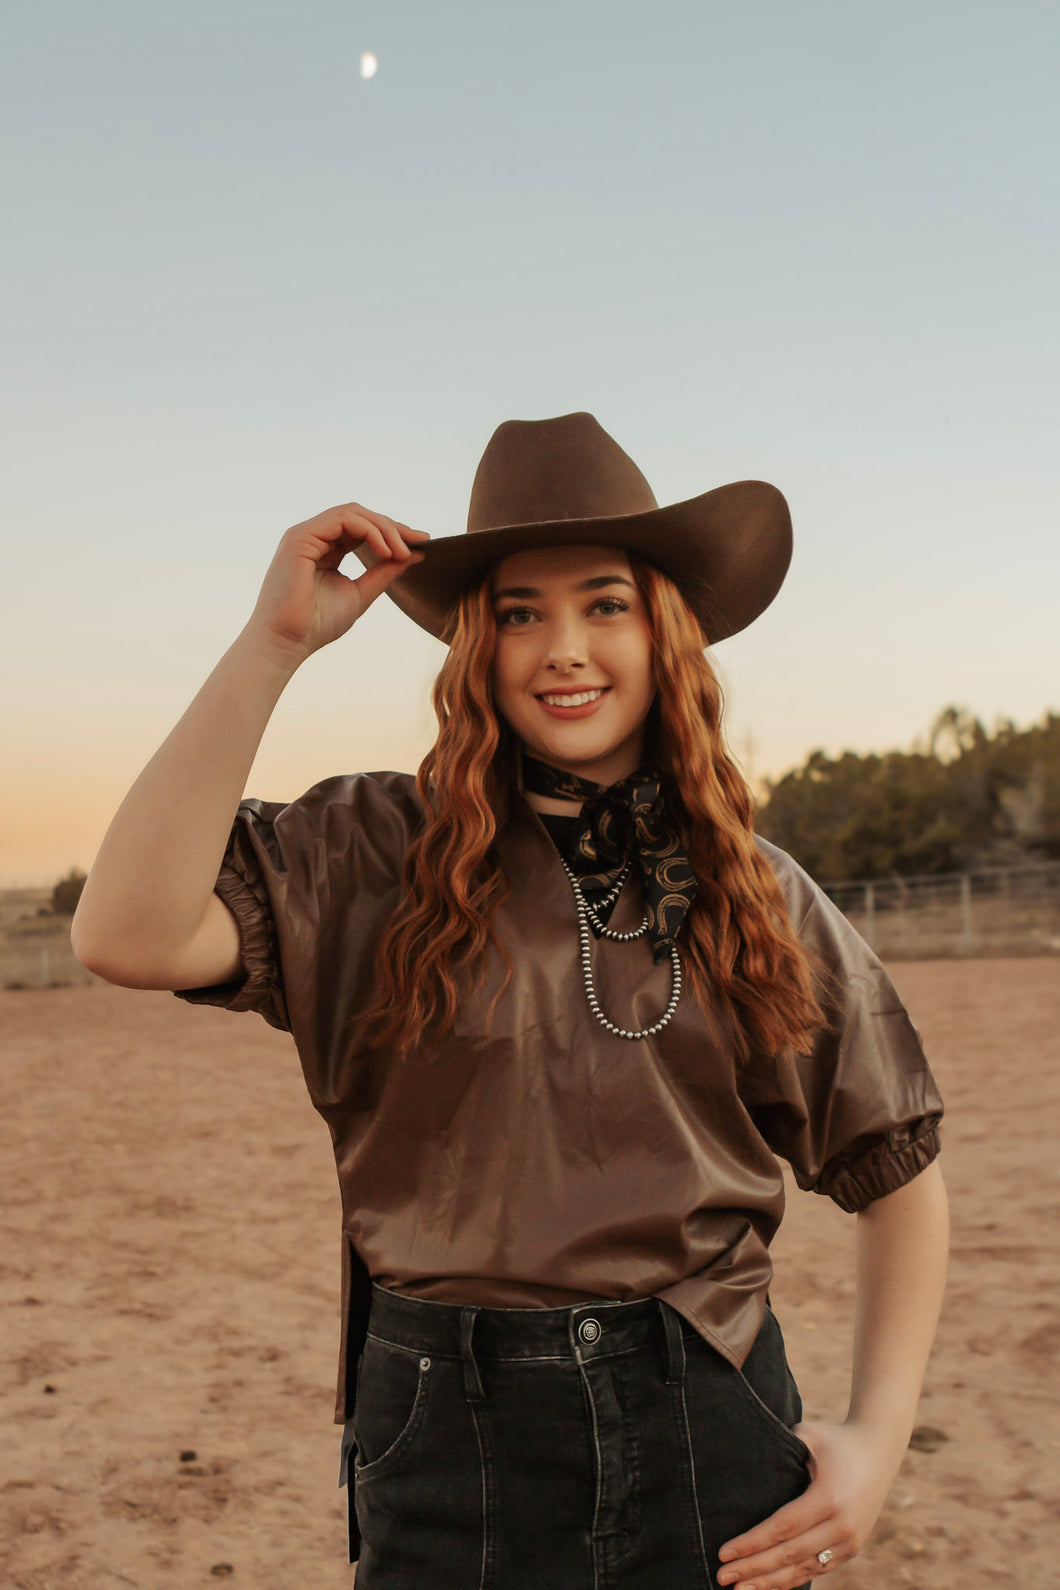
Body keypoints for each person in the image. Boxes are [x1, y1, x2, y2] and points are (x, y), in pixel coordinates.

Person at [72, 412, 949, 1590]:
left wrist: (878, 1440)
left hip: (706, 1418)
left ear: (664, 630)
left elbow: (898, 1173)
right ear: (477, 647)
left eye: (605, 605)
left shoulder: (756, 890)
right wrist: (272, 646)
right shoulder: (368, 851)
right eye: (520, 614)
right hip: (443, 1433)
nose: (563, 650)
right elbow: (123, 934)